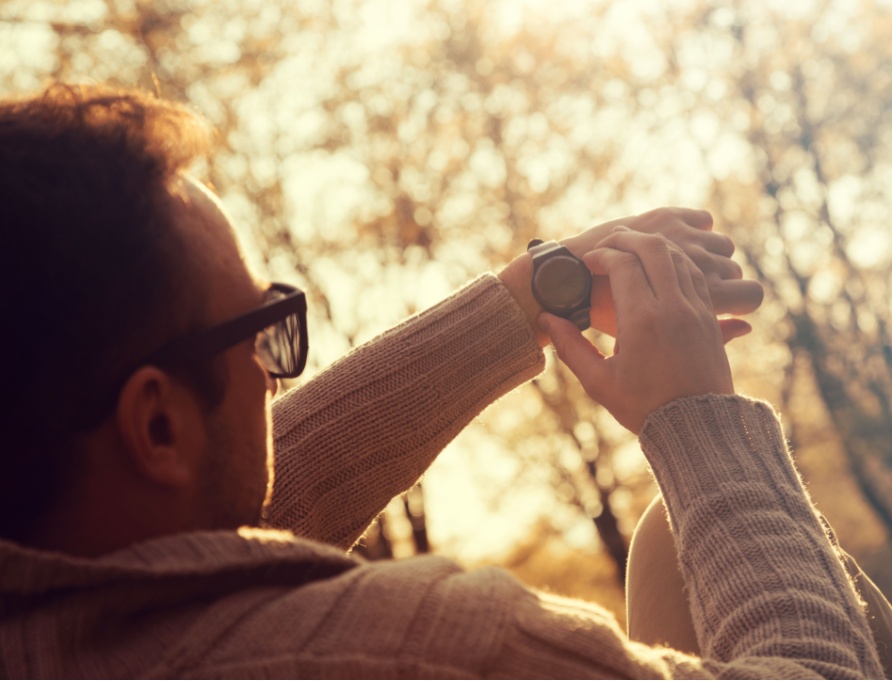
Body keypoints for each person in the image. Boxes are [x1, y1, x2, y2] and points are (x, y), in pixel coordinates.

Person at [0, 82, 885, 678]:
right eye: (263, 328)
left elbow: (245, 511)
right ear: (156, 425)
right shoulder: (414, 651)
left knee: (666, 543)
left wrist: (520, 301)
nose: (274, 380)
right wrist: (703, 421)